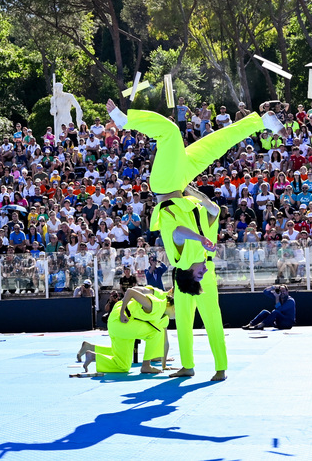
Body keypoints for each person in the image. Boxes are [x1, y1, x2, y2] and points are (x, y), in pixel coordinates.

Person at [105, 98, 284, 381]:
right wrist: (193, 191)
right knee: (214, 146)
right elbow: (214, 209)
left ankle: (127, 121)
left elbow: (177, 233)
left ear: (192, 271)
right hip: (180, 185)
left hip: (165, 187)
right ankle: (261, 122)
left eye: (197, 270)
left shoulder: (180, 249)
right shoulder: (201, 232)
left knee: (170, 131)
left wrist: (197, 234)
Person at [78, 286, 174, 374]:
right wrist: (122, 313)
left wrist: (164, 366)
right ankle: (146, 366)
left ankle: (93, 355)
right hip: (120, 321)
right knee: (155, 332)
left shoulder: (164, 318)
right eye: (177, 311)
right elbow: (130, 291)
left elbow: (165, 342)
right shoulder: (156, 304)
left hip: (124, 327)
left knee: (123, 366)